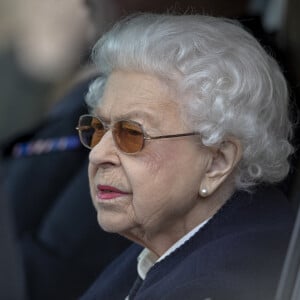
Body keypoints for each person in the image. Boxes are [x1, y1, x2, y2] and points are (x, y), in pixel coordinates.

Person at [76, 13, 296, 300]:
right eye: (97, 129)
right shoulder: (167, 241)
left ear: (216, 162)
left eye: (131, 134)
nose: (98, 155)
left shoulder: (225, 284)